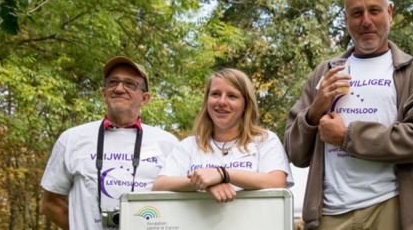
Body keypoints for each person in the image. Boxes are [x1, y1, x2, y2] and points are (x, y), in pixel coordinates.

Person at [285, 0, 413, 230]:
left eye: (374, 11)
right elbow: (295, 153)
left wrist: (348, 135)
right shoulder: (324, 73)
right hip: (330, 214)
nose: (366, 21)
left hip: (390, 209)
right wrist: (315, 110)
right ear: (346, 19)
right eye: (357, 13)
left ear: (389, 12)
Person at [40, 56, 179, 229]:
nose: (119, 89)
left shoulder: (167, 143)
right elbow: (50, 204)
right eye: (113, 82)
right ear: (104, 94)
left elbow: (180, 204)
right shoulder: (72, 139)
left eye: (130, 84)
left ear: (144, 98)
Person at [153, 68, 294, 202]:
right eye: (215, 94)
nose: (221, 102)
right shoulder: (189, 145)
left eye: (232, 96)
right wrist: (205, 183)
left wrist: (222, 174)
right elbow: (159, 186)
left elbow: (277, 182)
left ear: (246, 104)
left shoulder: (264, 140)